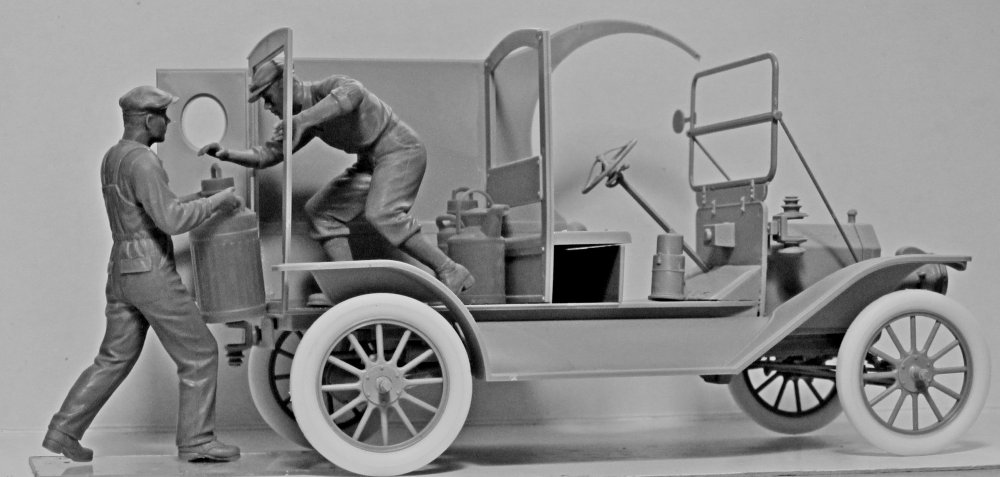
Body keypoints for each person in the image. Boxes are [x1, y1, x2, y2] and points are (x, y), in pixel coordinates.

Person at [43, 85, 242, 463]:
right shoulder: (144, 162)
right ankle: (197, 441)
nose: (168, 122)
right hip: (149, 269)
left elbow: (148, 209)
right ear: (148, 120)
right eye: (163, 115)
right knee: (199, 353)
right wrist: (219, 202)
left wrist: (198, 199)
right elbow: (171, 220)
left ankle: (62, 431)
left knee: (113, 358)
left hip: (121, 266)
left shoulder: (114, 157)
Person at [198, 60, 474, 303]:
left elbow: (354, 92)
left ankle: (451, 270)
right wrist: (227, 154)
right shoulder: (305, 122)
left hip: (400, 151)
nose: (268, 106)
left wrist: (303, 119)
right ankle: (349, 288)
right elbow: (268, 154)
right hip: (370, 163)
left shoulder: (325, 91)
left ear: (285, 85)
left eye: (268, 97)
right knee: (321, 213)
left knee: (382, 214)